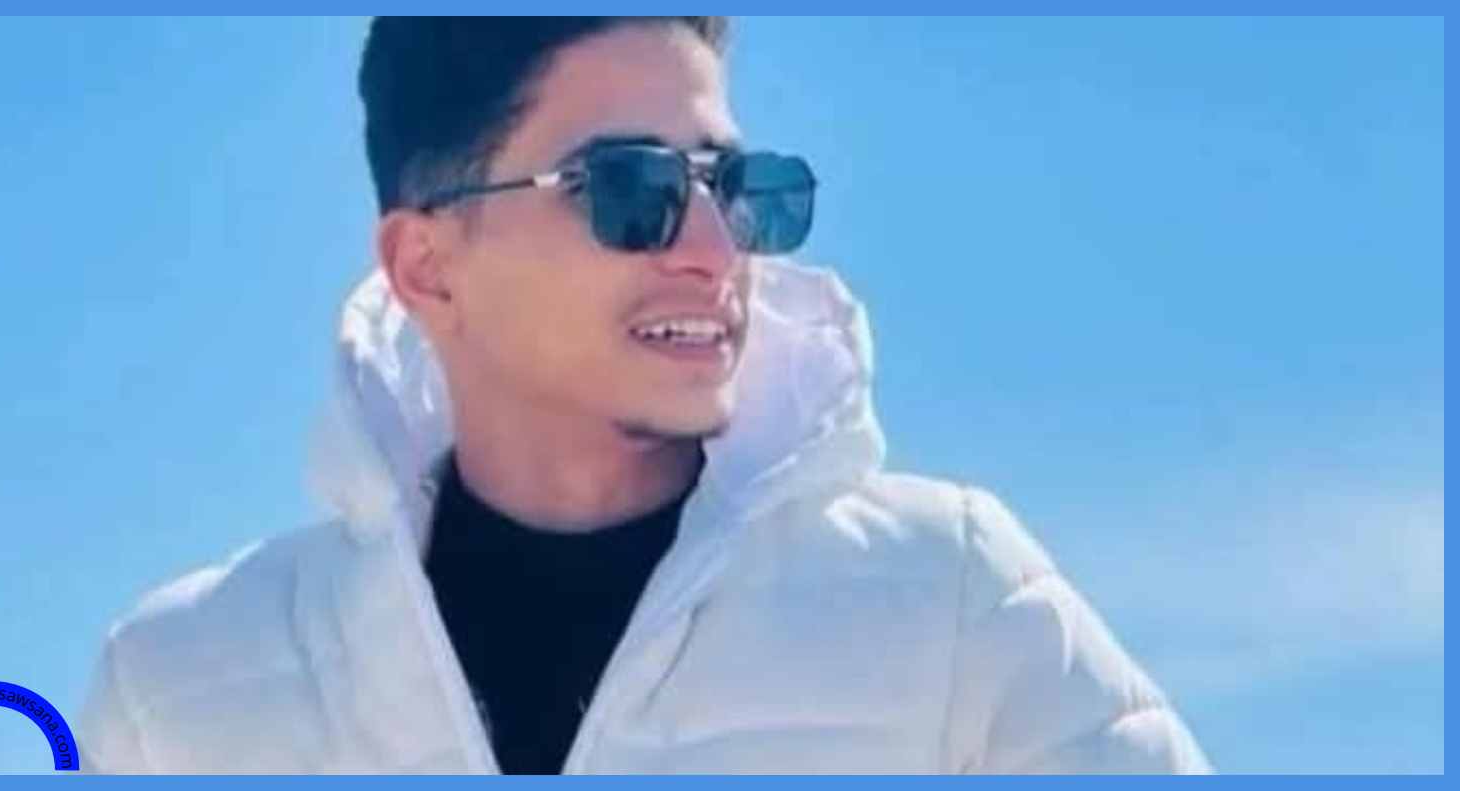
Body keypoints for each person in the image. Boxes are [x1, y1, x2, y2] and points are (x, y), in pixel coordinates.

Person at [78, 17, 1212, 774]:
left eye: (737, 185)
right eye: (630, 188)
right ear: (428, 266)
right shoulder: (183, 684)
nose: (715, 250)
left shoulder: (953, 599)